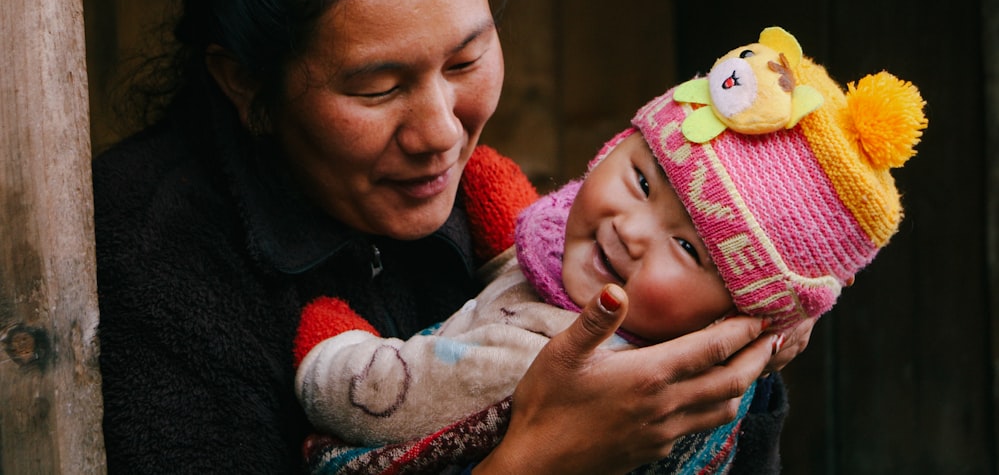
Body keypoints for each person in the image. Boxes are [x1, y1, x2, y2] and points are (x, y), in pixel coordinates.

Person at [92, 0, 808, 473]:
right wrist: (539, 458)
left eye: (465, 61)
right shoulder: (151, 256)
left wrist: (735, 352)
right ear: (246, 84)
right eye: (376, 87)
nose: (441, 132)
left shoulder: (527, 226)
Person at [292, 27, 927, 473]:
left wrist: (336, 348)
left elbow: (387, 397)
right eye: (642, 180)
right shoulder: (605, 279)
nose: (629, 229)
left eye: (687, 247)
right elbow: (534, 253)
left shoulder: (560, 360)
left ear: (739, 318)